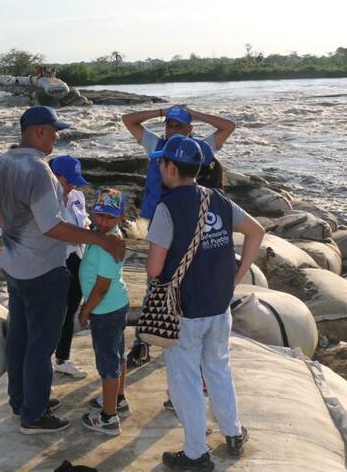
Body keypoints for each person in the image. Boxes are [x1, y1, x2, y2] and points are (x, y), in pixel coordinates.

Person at [0, 106, 125, 435]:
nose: (57, 136)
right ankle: (33, 415)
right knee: (41, 344)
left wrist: (20, 246)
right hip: (41, 271)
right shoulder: (39, 171)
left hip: (13, 267)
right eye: (53, 130)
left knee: (19, 339)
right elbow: (52, 227)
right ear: (38, 132)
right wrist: (100, 240)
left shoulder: (0, 163)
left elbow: (1, 218)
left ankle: (21, 400)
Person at [145, 135, 264, 470]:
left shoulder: (167, 209)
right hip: (218, 304)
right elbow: (256, 231)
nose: (159, 168)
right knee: (218, 369)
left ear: (169, 167)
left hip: (185, 310)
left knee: (185, 380)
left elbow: (155, 268)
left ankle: (196, 453)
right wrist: (237, 277)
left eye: (161, 163)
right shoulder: (220, 200)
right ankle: (234, 433)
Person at [121, 105, 236, 367]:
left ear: (189, 129)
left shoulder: (200, 149)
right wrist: (161, 111)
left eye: (177, 125)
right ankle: (145, 339)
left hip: (188, 220)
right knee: (156, 280)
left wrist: (197, 113)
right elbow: (128, 120)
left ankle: (180, 331)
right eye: (169, 124)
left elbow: (228, 126)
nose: (171, 128)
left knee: (180, 275)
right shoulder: (158, 146)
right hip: (159, 220)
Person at [78, 188, 131, 436]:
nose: (103, 221)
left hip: (105, 310)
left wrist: (85, 310)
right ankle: (118, 399)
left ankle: (109, 418)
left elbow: (101, 288)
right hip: (115, 306)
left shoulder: (109, 245)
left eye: (109, 217)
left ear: (120, 217)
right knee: (118, 354)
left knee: (108, 363)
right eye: (99, 215)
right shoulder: (103, 236)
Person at [50, 155, 91, 379]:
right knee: (53, 312)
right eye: (69, 181)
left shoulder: (77, 197)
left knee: (71, 309)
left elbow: (83, 221)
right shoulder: (45, 199)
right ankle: (45, 357)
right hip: (54, 260)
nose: (72, 185)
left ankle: (62, 358)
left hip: (76, 258)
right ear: (56, 177)